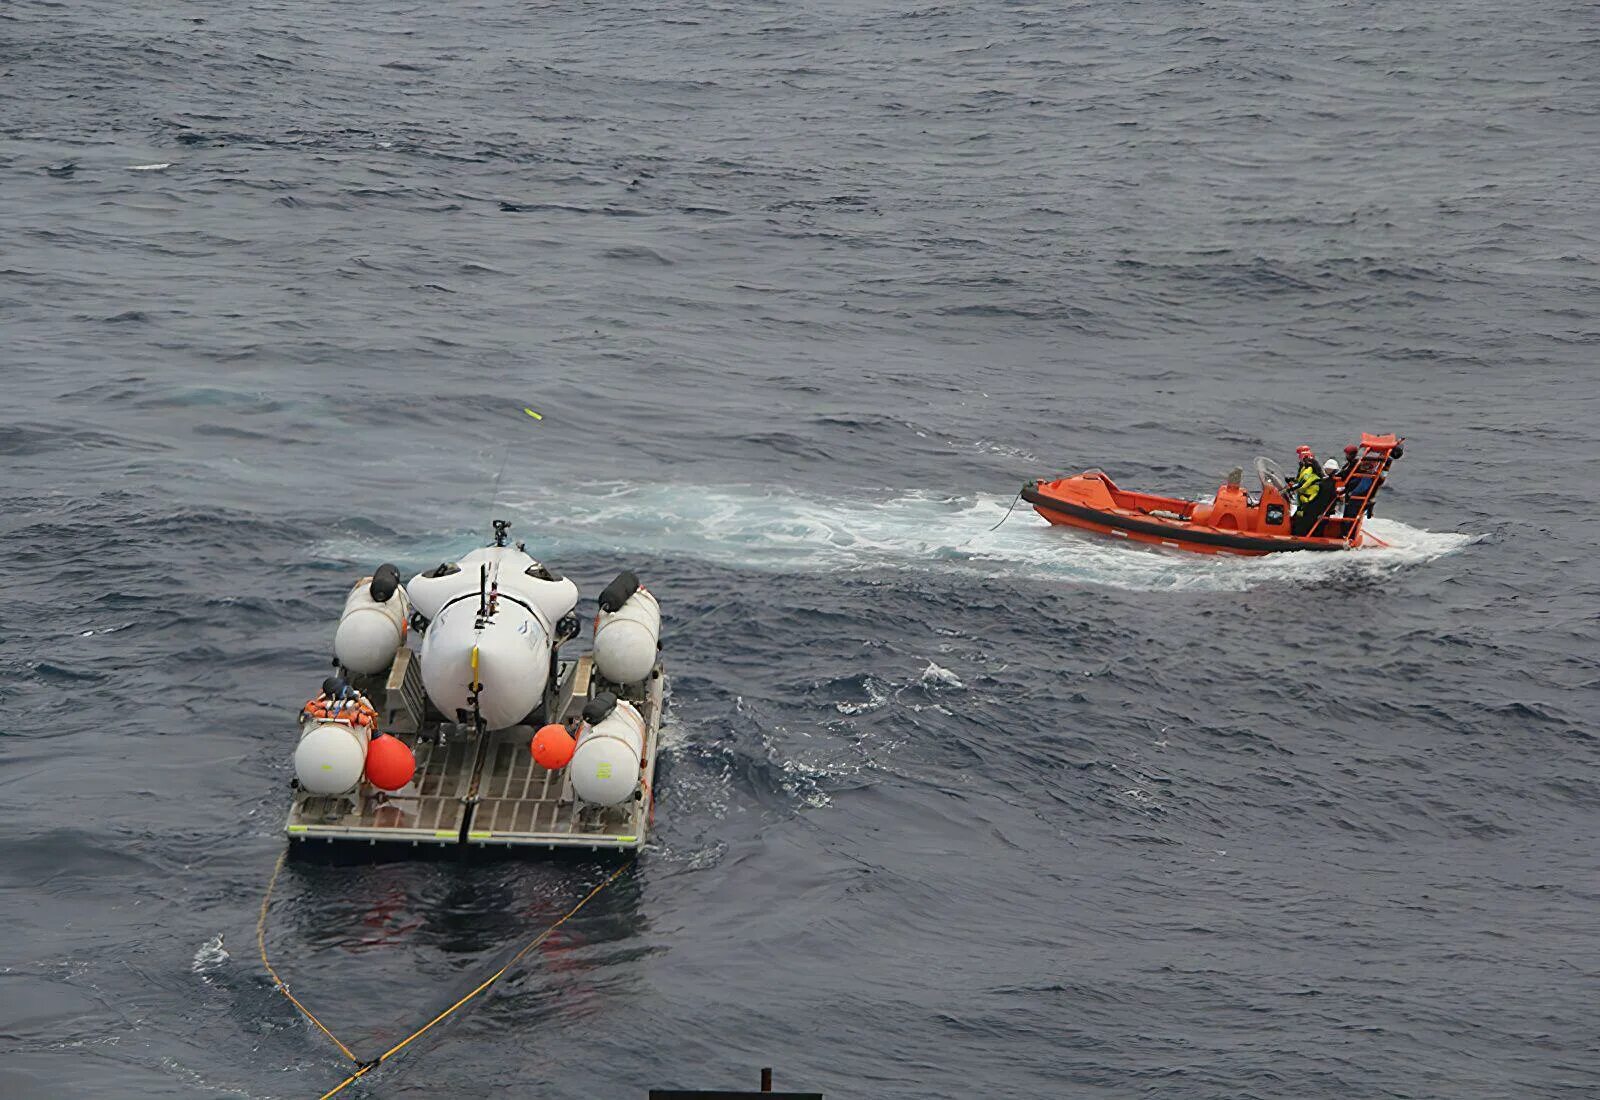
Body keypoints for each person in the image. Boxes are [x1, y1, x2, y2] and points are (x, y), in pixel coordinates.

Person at [1289, 446, 1327, 536]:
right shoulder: (1305, 468)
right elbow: (1299, 479)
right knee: (1297, 517)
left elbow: (1302, 484)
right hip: (1304, 500)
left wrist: (1290, 488)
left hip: (1309, 500)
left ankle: (1298, 536)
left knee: (1301, 519)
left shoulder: (1309, 470)